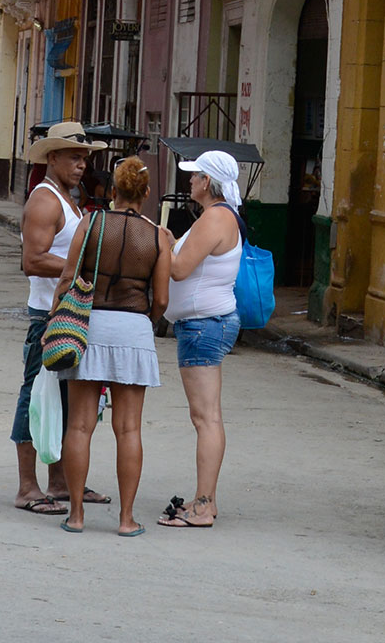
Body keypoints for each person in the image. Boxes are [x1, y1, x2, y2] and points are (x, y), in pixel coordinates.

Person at [51, 157, 171, 536]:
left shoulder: (91, 223)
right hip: (134, 329)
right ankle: (126, 519)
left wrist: (54, 318)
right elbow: (162, 300)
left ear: (114, 191)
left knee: (80, 425)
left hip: (90, 326)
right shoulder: (158, 237)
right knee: (129, 430)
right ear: (146, 193)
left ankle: (75, 515)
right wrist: (145, 320)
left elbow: (68, 278)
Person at [11, 121, 111, 515]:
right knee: (34, 398)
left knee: (66, 401)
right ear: (52, 158)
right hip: (47, 316)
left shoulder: (68, 200)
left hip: (71, 311)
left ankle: (61, 483)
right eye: (74, 157)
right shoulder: (45, 201)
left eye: (85, 158)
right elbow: (32, 260)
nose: (82, 165)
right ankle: (27, 487)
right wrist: (84, 269)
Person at [157, 150, 244, 529]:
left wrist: (163, 244)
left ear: (207, 181)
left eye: (194, 176)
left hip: (203, 325)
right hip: (207, 323)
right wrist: (172, 240)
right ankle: (206, 499)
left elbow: (178, 269)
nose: (189, 181)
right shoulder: (218, 216)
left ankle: (203, 506)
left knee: (206, 418)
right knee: (208, 416)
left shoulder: (215, 218)